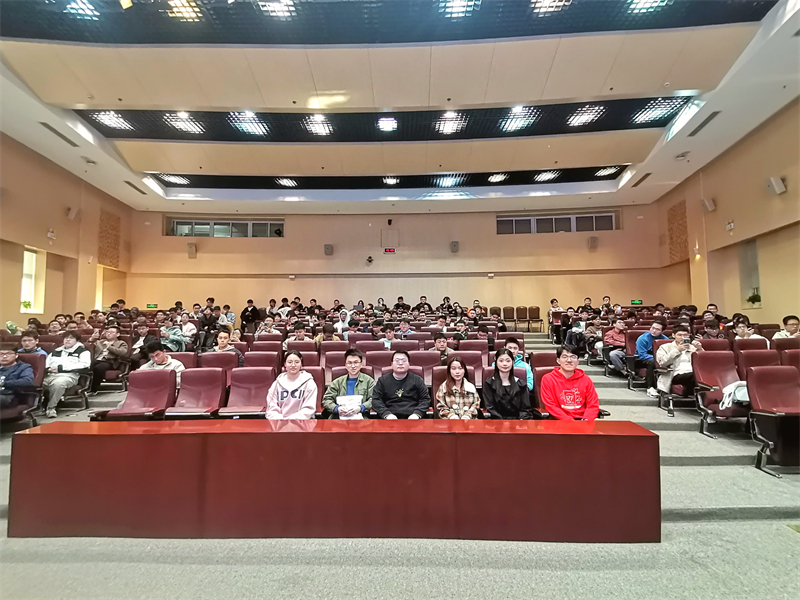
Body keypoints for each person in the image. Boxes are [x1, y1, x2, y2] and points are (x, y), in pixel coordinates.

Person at [539, 346, 599, 421]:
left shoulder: (586, 379)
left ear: (578, 361)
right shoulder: (548, 379)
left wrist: (586, 420)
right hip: (558, 421)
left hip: (582, 422)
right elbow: (550, 406)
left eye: (573, 357)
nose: (569, 360)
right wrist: (570, 421)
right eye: (565, 357)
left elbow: (593, 405)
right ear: (558, 360)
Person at [43, 331, 91, 418]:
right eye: (66, 338)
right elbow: (46, 363)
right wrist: (48, 368)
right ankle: (38, 406)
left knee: (58, 384)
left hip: (69, 376)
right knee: (35, 382)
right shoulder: (56, 351)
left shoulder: (83, 352)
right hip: (51, 375)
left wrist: (61, 368)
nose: (68, 340)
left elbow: (85, 365)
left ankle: (51, 408)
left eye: (71, 338)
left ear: (77, 340)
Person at [371, 350, 429, 419]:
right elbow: (376, 400)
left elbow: (425, 399)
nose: (400, 363)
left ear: (409, 364)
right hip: (389, 417)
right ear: (391, 364)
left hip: (413, 417)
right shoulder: (382, 380)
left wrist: (417, 414)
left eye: (404, 360)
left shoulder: (417, 380)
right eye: (397, 360)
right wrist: (386, 414)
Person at [321, 349, 374, 419]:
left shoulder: (369, 381)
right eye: (349, 363)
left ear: (361, 364)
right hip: (338, 417)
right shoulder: (337, 382)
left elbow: (373, 399)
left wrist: (361, 407)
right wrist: (337, 408)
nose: (353, 366)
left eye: (356, 362)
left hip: (361, 416)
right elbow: (326, 400)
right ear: (345, 365)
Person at [266, 351, 318, 420]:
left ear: (301, 364)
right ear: (285, 364)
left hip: (303, 423)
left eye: (297, 362)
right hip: (279, 423)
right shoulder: (277, 383)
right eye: (290, 362)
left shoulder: (309, 383)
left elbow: (309, 409)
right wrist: (281, 420)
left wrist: (292, 420)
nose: (293, 365)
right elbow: (271, 408)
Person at [483, 349, 532, 420]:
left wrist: (520, 422)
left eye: (508, 361)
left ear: (513, 362)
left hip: (518, 423)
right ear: (496, 362)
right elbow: (489, 407)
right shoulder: (489, 383)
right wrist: (501, 422)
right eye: (501, 361)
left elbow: (525, 409)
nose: (505, 364)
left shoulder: (521, 384)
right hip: (496, 422)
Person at [655, 325, 703, 395]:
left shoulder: (693, 347)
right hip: (675, 374)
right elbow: (662, 362)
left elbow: (705, 363)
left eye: (685, 335)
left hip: (693, 372)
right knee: (695, 375)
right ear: (673, 335)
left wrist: (700, 349)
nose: (682, 337)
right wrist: (677, 350)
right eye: (679, 335)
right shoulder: (665, 347)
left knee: (700, 375)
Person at [435, 355, 480, 419]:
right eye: (453, 368)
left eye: (460, 368)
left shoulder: (471, 387)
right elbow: (441, 407)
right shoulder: (443, 387)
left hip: (469, 421)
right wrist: (451, 416)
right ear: (449, 371)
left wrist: (468, 415)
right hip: (449, 421)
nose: (457, 372)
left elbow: (476, 404)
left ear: (464, 370)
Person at [635, 318, 670, 398]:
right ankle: (650, 387)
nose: (654, 331)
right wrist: (658, 359)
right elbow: (642, 355)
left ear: (662, 331)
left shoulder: (665, 339)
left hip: (659, 359)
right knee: (652, 363)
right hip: (641, 360)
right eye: (652, 328)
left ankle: (665, 387)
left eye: (657, 329)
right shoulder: (642, 338)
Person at [90, 325, 129, 393]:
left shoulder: (121, 343)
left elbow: (122, 352)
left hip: (110, 361)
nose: (108, 334)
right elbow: (88, 345)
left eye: (112, 332)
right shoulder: (100, 341)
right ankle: (85, 386)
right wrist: (92, 339)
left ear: (117, 334)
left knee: (99, 367)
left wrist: (109, 347)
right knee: (88, 365)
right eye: (107, 332)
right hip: (97, 359)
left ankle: (93, 388)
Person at [0, 343, 35, 410]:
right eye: (1, 354)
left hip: (10, 395)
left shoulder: (23, 367)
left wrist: (3, 383)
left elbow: (27, 381)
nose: (4, 356)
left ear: (16, 355)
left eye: (9, 354)